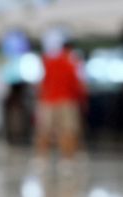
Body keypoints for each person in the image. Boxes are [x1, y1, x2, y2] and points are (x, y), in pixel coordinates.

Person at [34, 36, 87, 169]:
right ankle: (66, 160)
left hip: (47, 101)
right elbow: (77, 84)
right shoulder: (72, 61)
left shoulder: (48, 60)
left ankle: (41, 158)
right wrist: (82, 100)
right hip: (66, 101)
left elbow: (42, 83)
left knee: (44, 131)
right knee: (67, 131)